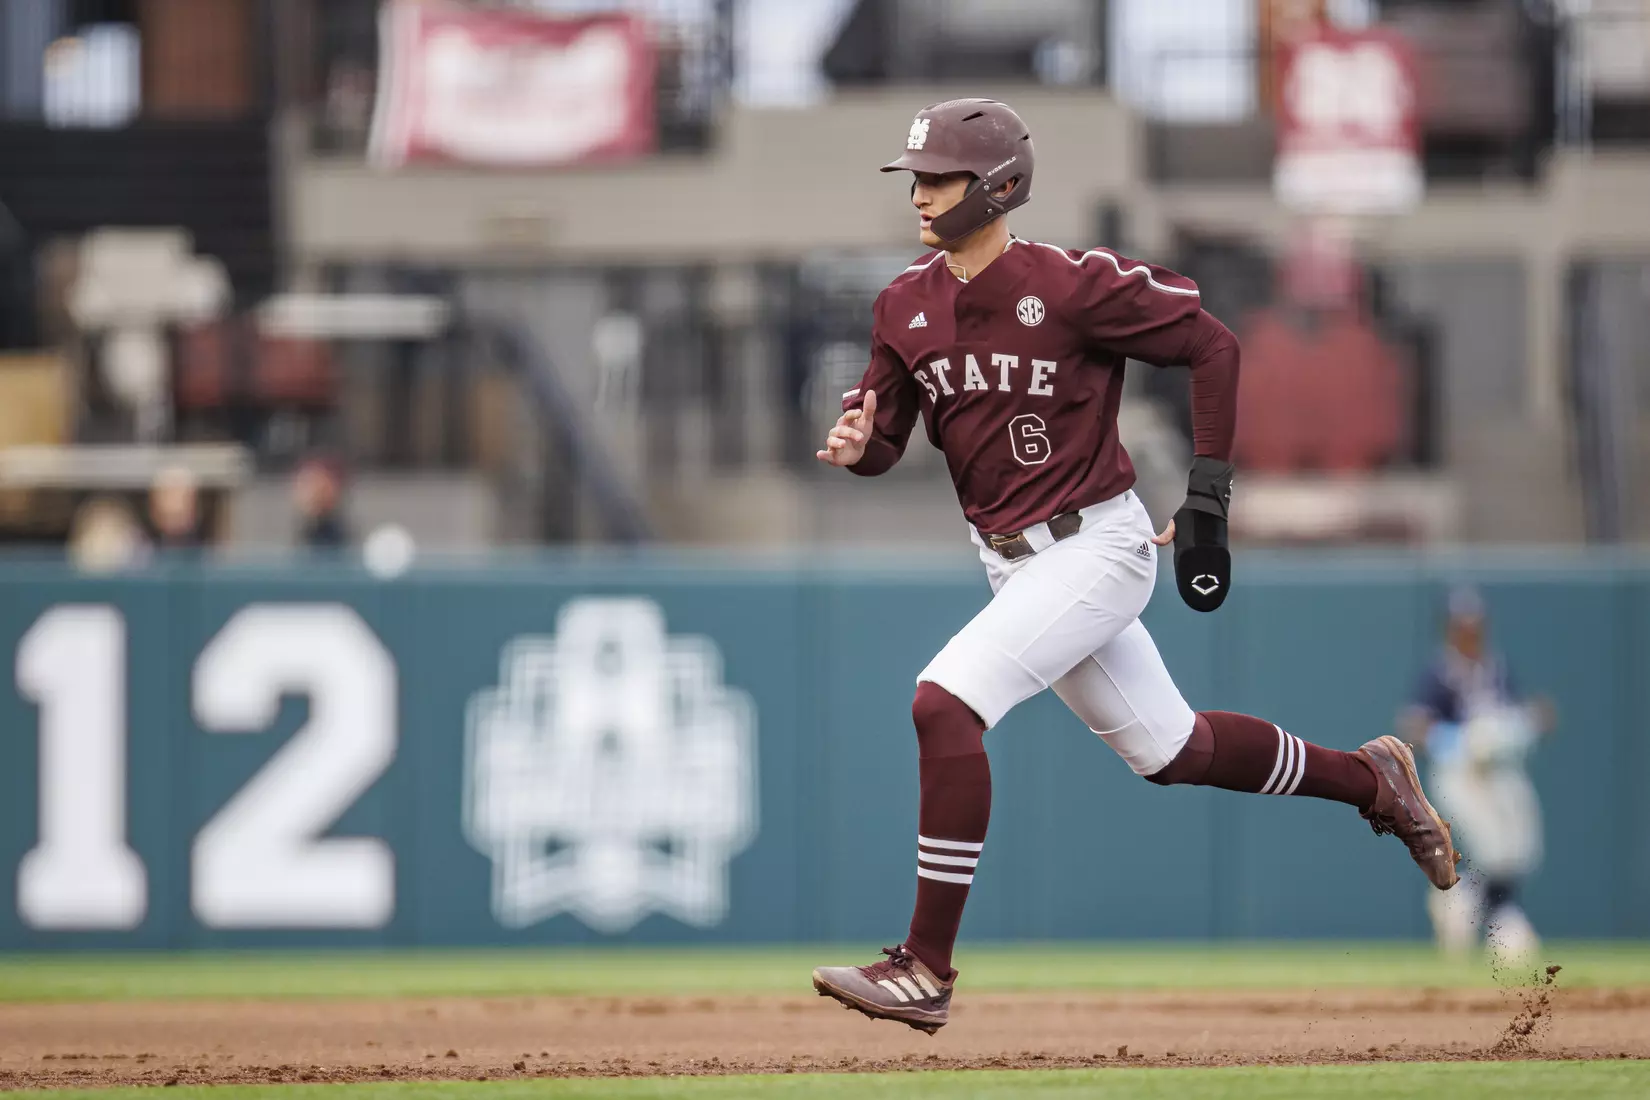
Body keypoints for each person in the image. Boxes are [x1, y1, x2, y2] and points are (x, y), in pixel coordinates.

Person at [808, 99, 1460, 1034]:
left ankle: (927, 966)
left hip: (1095, 545)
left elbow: (1211, 345)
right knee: (1173, 751)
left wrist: (1208, 494)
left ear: (998, 186)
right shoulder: (902, 303)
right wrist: (859, 441)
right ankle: (1372, 781)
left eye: (939, 177)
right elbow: (885, 445)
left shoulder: (1072, 284)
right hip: (1010, 561)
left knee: (942, 703)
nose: (919, 193)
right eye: (915, 176)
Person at [1400, 587, 1552, 961]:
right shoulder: (1439, 672)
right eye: (1462, 625)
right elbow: (1413, 725)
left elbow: (1516, 717)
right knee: (1490, 849)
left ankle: (1461, 902)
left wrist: (1530, 721)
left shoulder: (1496, 667)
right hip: (1460, 772)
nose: (1470, 632)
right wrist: (1455, 741)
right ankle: (1504, 921)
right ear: (1450, 629)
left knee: (1520, 849)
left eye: (1475, 624)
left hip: (1501, 771)